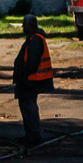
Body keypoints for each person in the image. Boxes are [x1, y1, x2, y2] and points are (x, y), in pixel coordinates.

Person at [13, 13, 55, 148]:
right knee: (28, 106)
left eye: (24, 24)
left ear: (30, 25)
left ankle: (33, 135)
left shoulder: (35, 39)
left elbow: (32, 63)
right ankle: (31, 134)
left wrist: (23, 76)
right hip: (31, 79)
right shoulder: (33, 38)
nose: (22, 27)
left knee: (29, 107)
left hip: (32, 80)